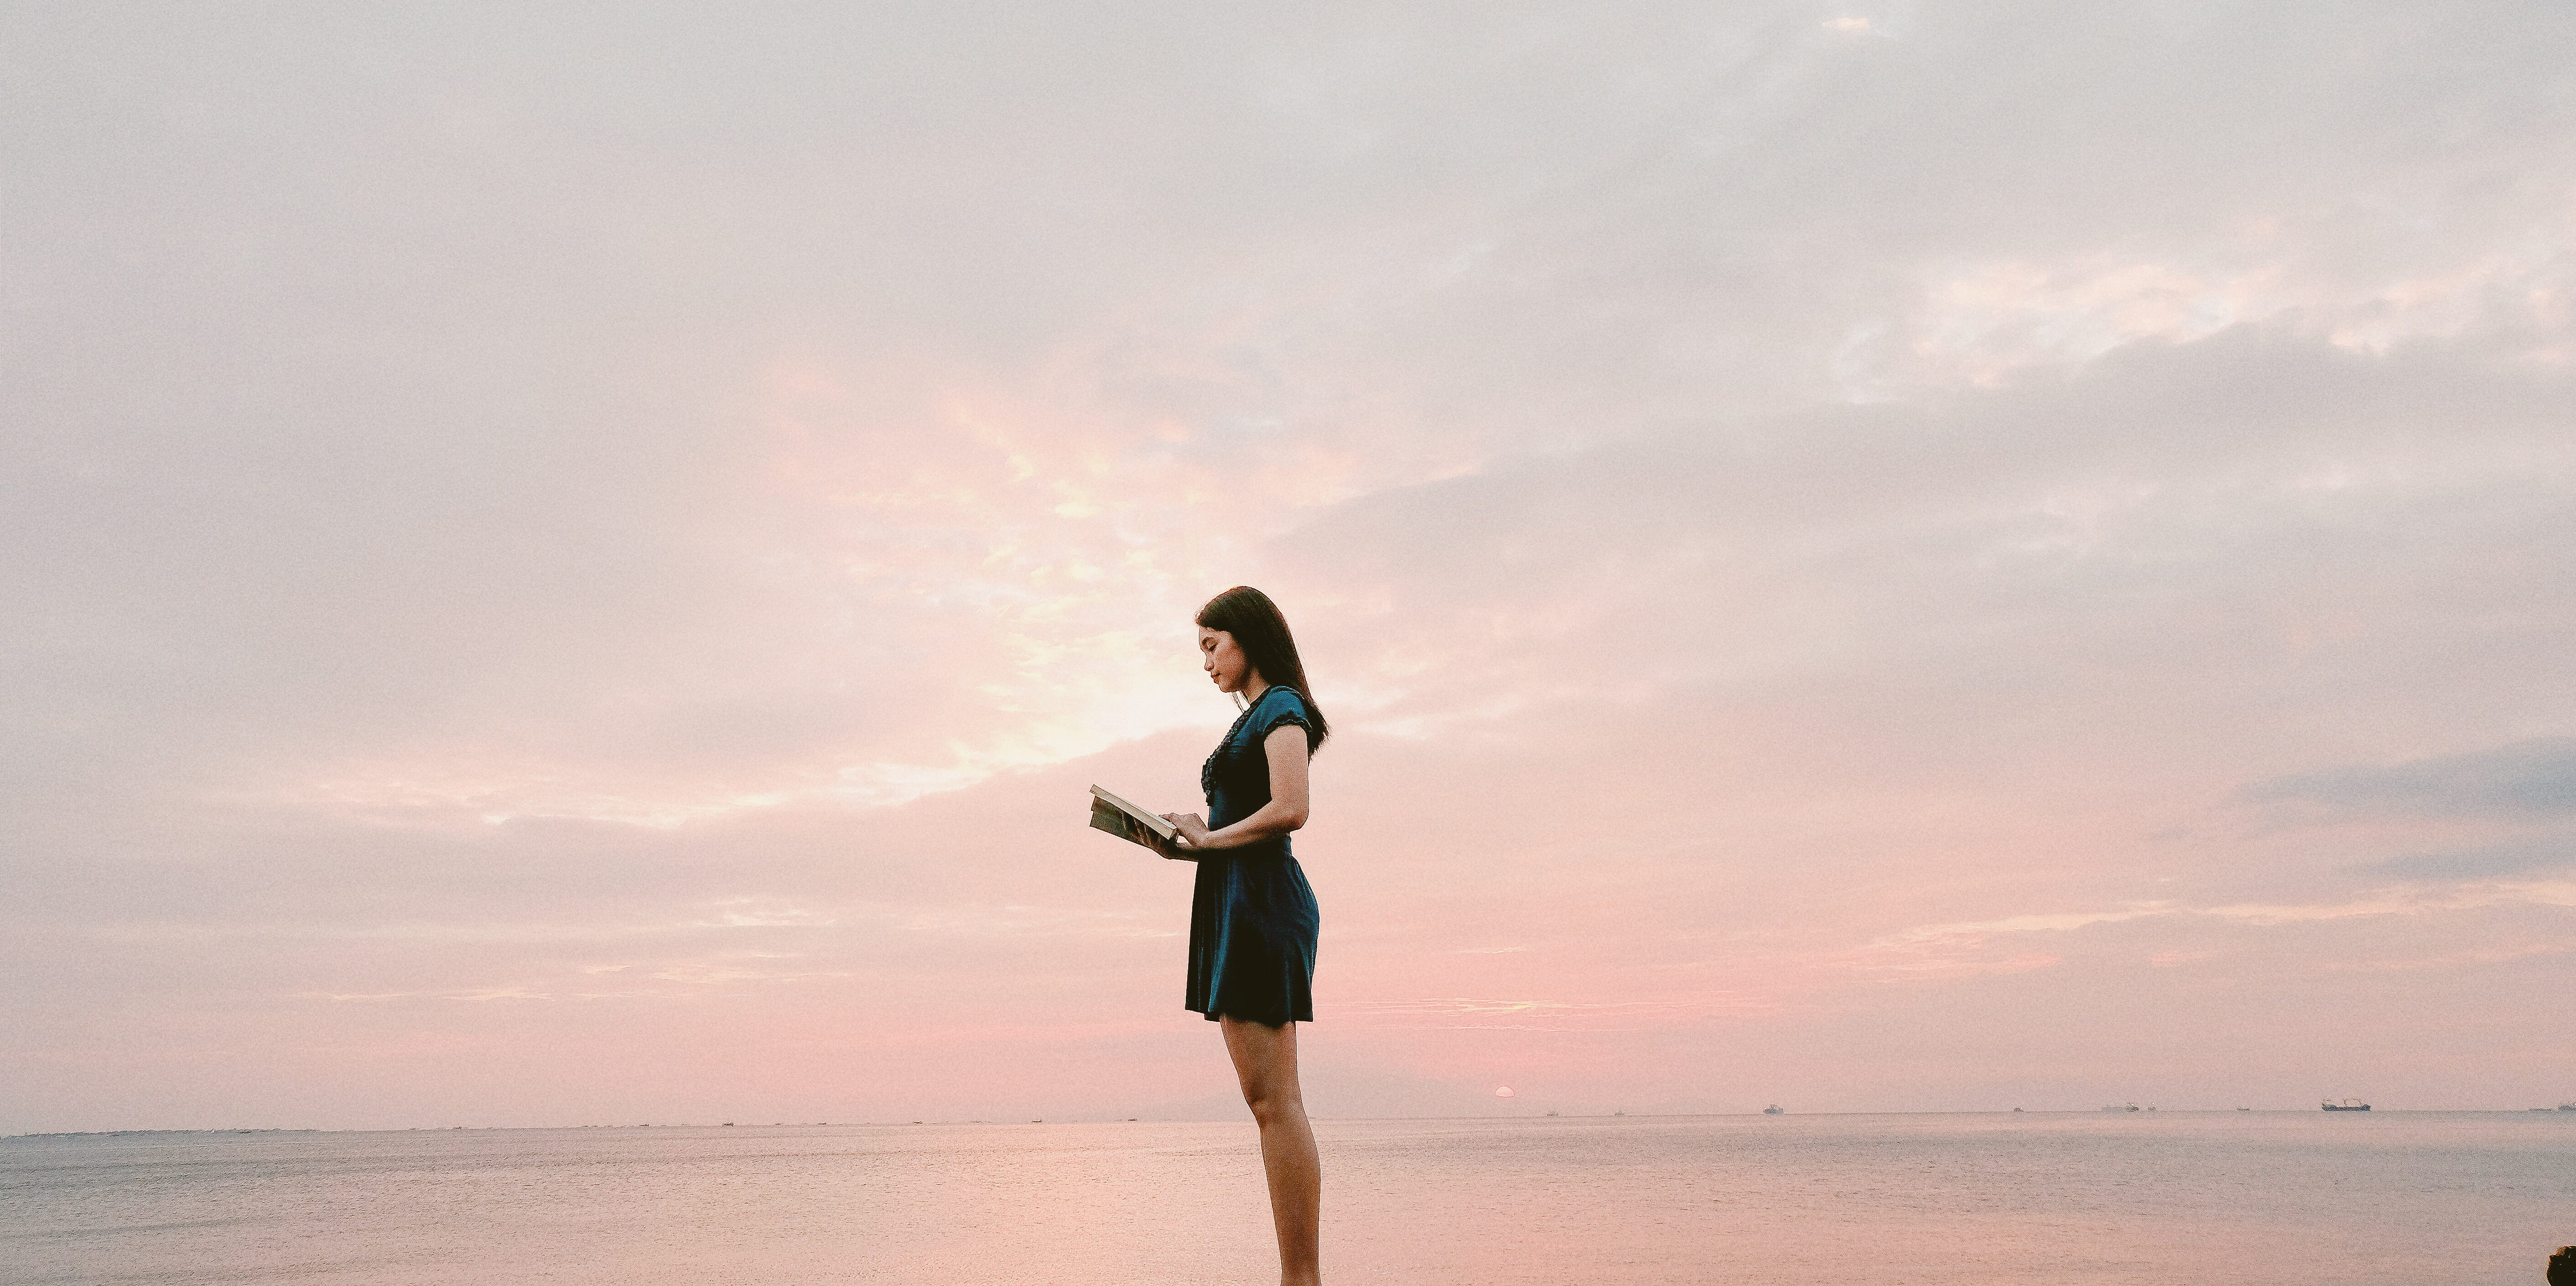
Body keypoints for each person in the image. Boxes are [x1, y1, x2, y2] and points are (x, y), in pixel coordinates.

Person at [1159, 585, 1329, 1286]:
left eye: (1211, 645)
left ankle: (1301, 1278)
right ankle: (1300, 1277)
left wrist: (1208, 843)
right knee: (1269, 1102)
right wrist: (1194, 841)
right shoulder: (1257, 714)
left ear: (1248, 638)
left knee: (1275, 1102)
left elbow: (1292, 808)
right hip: (1239, 903)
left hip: (1260, 906)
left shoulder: (1282, 706)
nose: (1205, 662)